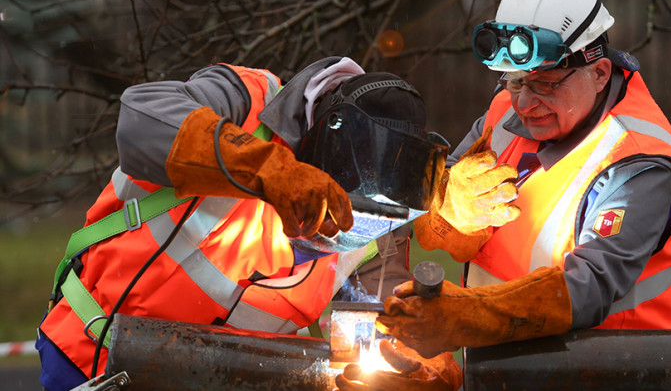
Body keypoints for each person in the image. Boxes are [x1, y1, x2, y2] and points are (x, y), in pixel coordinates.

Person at [35, 56, 461, 391]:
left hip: (215, 381)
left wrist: (417, 356)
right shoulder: (249, 101)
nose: (341, 230)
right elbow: (140, 118)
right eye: (340, 206)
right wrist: (262, 167)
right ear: (324, 142)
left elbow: (384, 318)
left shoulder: (386, 216)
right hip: (92, 358)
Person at [375, 0, 671, 359]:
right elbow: (435, 187)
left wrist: (470, 314)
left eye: (547, 84)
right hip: (508, 365)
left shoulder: (637, 160)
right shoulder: (507, 109)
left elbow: (589, 285)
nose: (525, 104)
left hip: (618, 370)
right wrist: (446, 200)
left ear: (599, 73)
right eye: (516, 81)